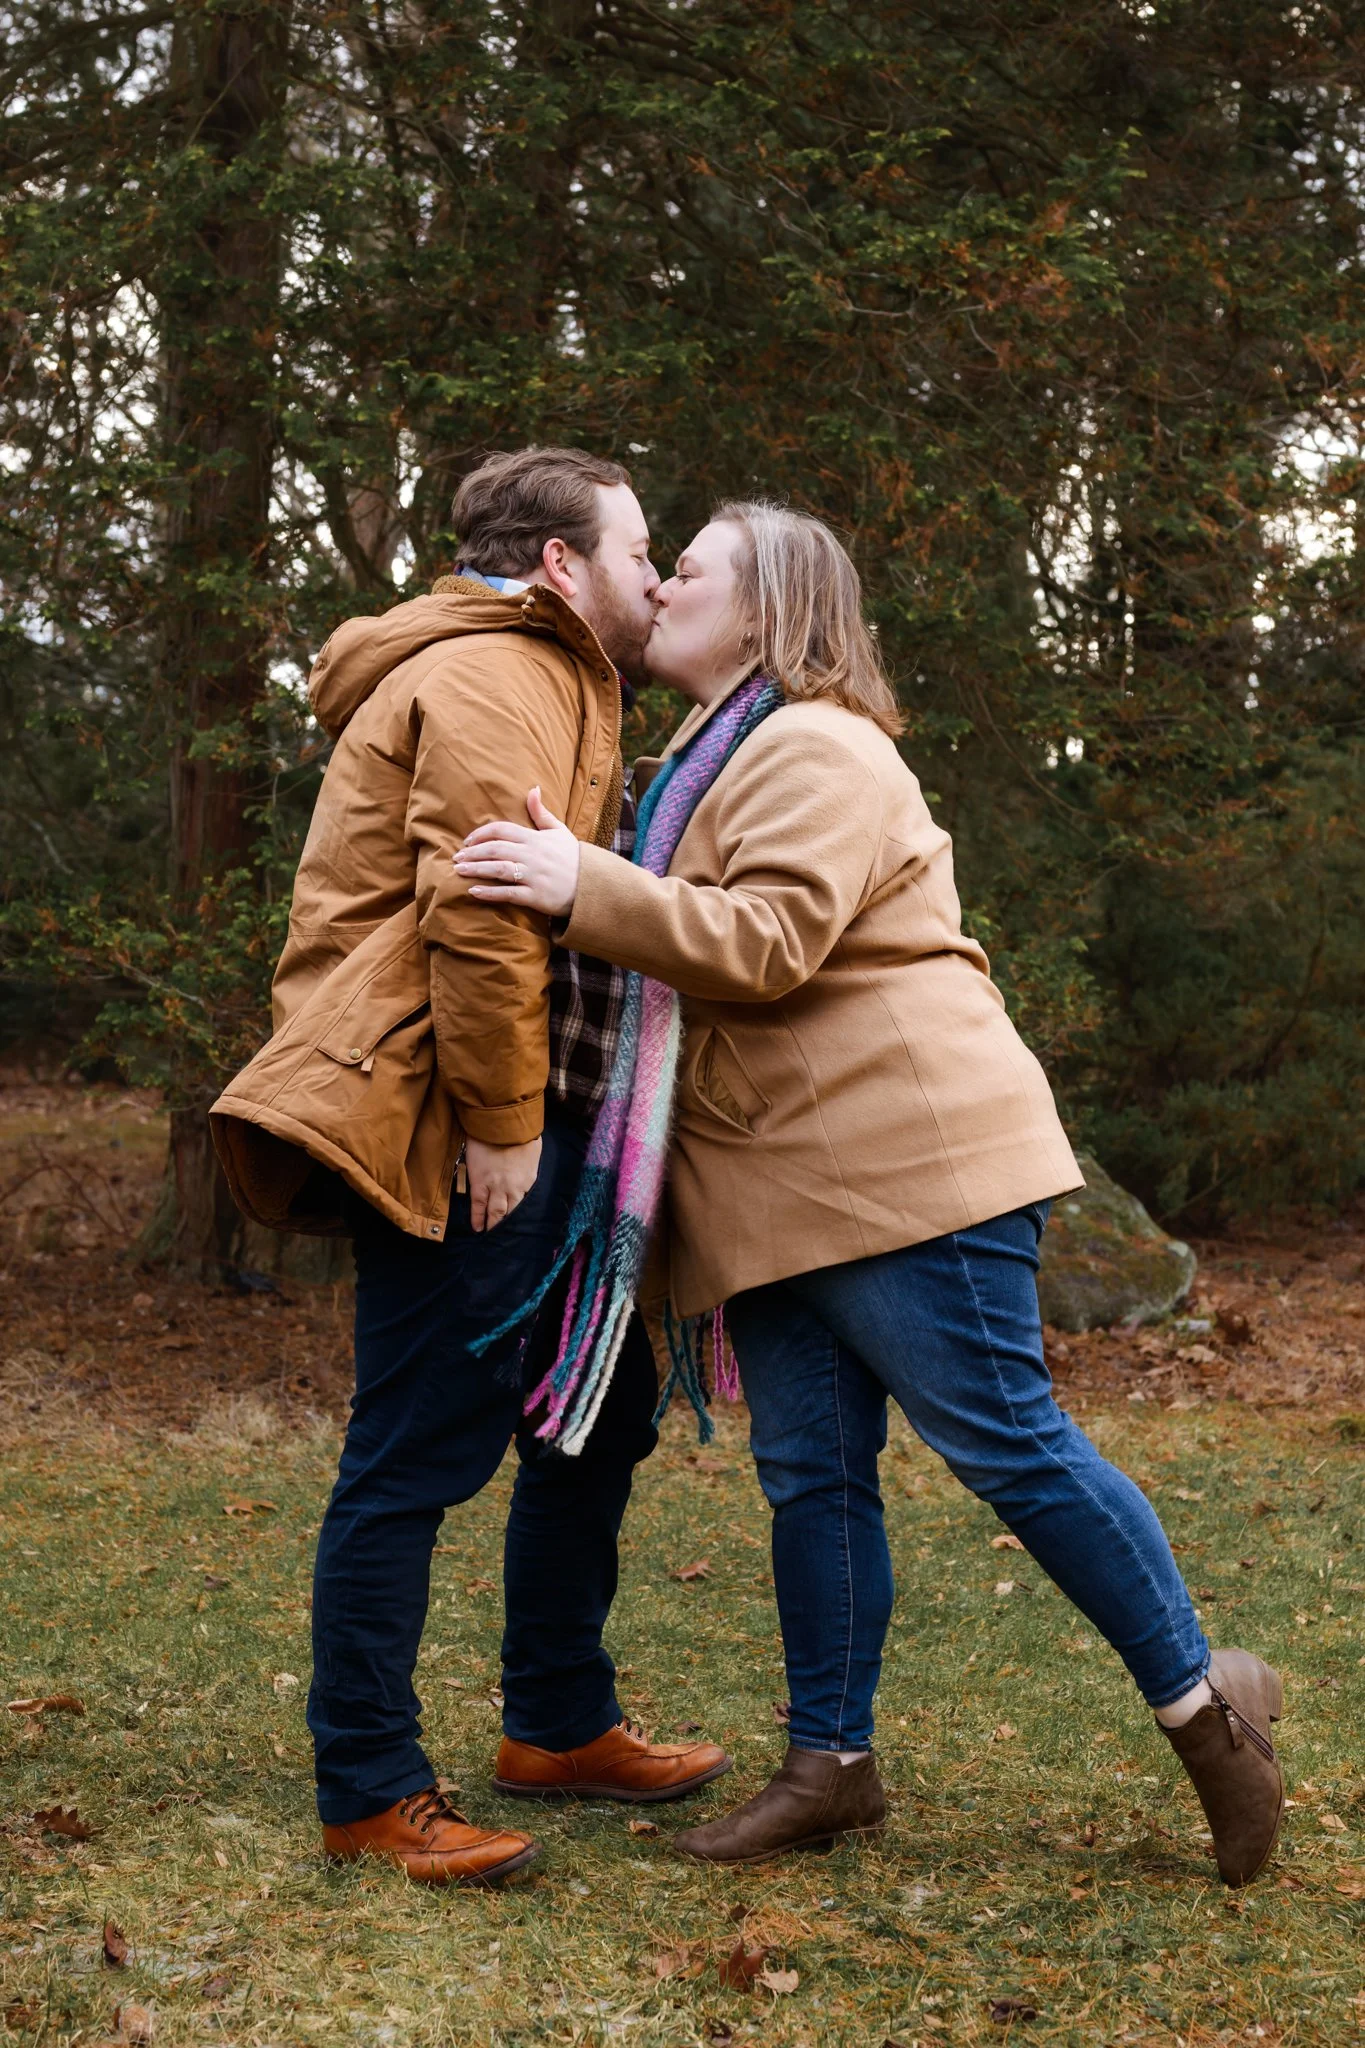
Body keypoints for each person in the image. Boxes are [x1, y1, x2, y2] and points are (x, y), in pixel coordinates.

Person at [454, 500, 1286, 1889]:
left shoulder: (819, 746)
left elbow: (767, 942)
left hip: (908, 1171)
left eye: (693, 572)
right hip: (775, 1191)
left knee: (1010, 1447)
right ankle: (829, 1765)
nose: (659, 589)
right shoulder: (699, 766)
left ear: (771, 611)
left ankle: (1212, 1719)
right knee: (815, 1480)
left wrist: (575, 884)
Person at [211, 448, 729, 1889]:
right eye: (640, 550)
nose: (656, 575)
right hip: (452, 1123)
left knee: (596, 1412)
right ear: (560, 564)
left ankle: (557, 1723)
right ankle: (370, 1789)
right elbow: (480, 906)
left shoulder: (551, 674)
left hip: (531, 1125)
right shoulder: (504, 673)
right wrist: (502, 1125)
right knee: (415, 1452)